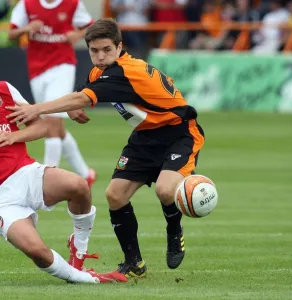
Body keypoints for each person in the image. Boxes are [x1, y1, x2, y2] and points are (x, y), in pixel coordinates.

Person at [6, 18, 205, 280]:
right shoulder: (102, 71)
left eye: (106, 50)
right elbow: (85, 91)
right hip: (145, 137)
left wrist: (36, 108)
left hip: (179, 133)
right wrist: (75, 105)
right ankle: (134, 263)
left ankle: (174, 231)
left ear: (120, 47)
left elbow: (82, 96)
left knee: (165, 190)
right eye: (94, 51)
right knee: (114, 195)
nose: (100, 56)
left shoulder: (124, 71)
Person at [0, 80, 127, 284]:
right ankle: (85, 278)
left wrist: (14, 136)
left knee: (78, 185)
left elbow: (41, 126)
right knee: (38, 252)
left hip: (23, 173)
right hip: (2, 200)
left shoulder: (5, 90)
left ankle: (79, 251)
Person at [8, 0, 97, 187]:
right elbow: (11, 34)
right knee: (56, 126)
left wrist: (77, 34)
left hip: (63, 64)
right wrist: (27, 28)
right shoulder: (27, 5)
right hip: (37, 68)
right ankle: (85, 173)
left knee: (51, 120)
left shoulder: (72, 4)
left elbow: (91, 26)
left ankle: (49, 178)